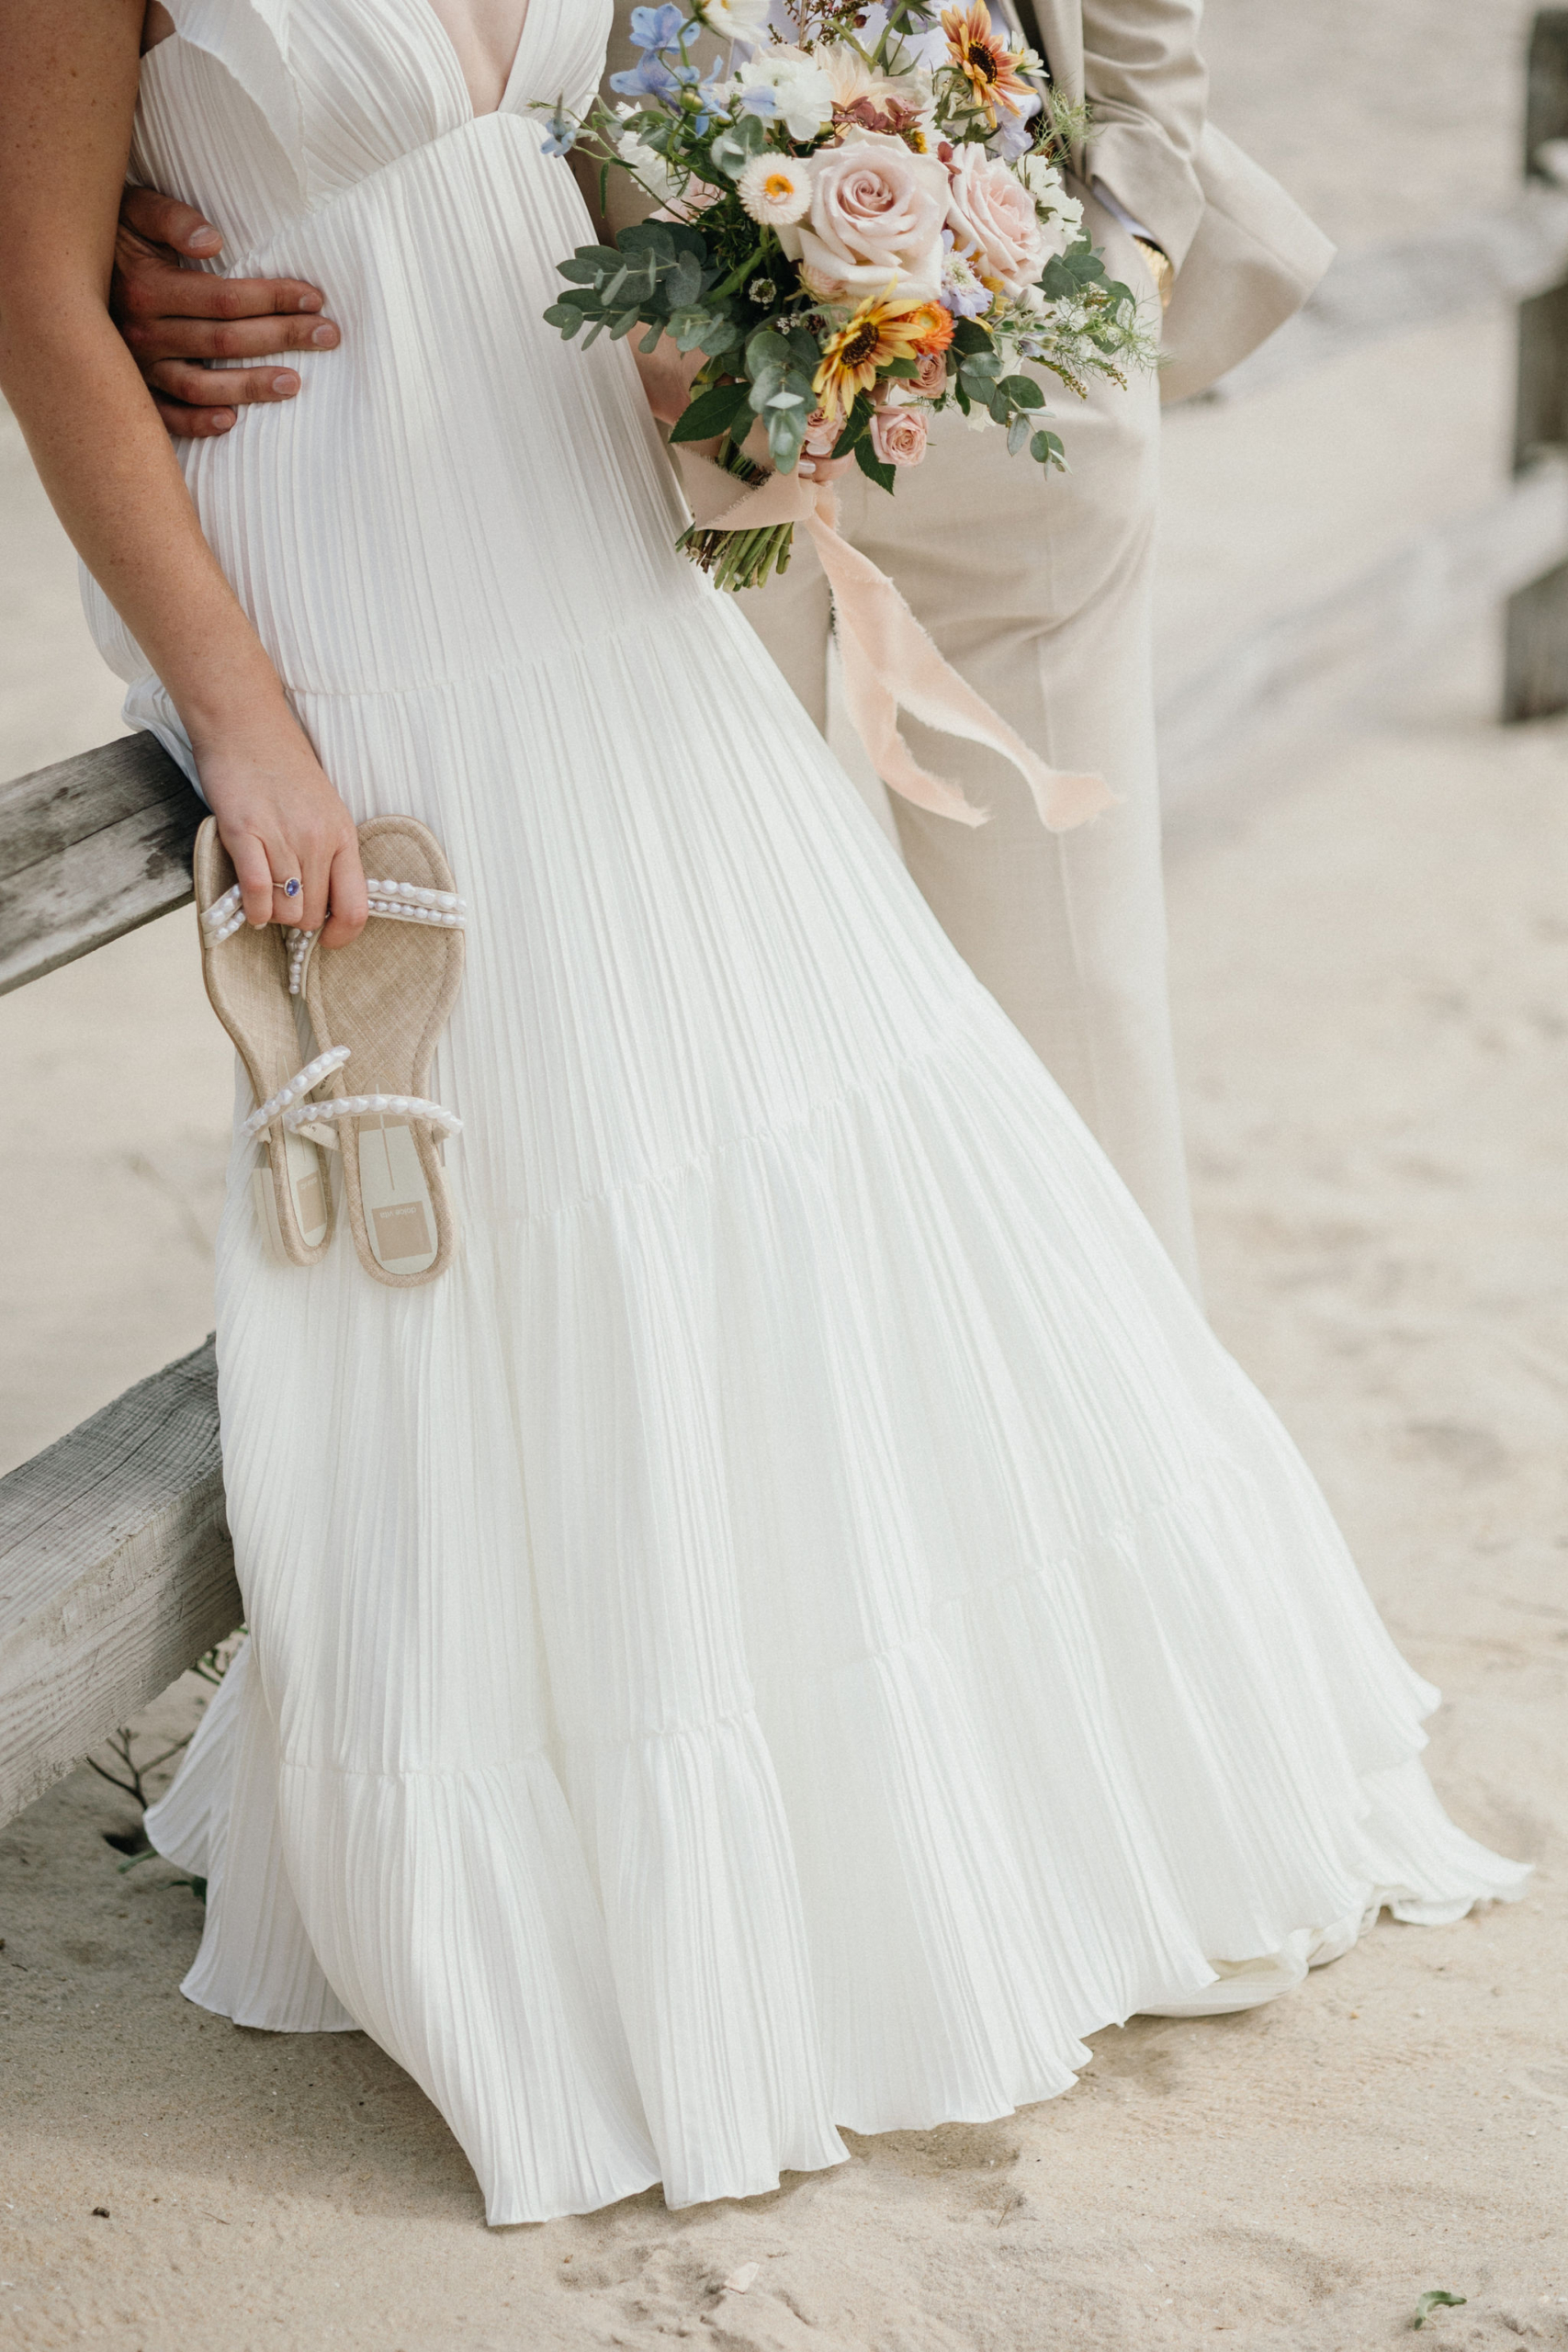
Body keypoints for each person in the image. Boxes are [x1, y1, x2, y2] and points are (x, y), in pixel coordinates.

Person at [0, 0, 1523, 2229]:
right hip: (348, 543)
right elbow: (39, 292)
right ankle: (617, 1871)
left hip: (592, 508)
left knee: (805, 1091)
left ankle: (918, 1799)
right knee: (543, 1172)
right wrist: (240, 727)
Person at [107, 5, 1330, 1298]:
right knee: (727, 1033)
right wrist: (148, 191)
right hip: (623, 411)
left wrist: (1122, 262)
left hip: (1003, 365)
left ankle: (1111, 1466)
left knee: (1075, 1013)